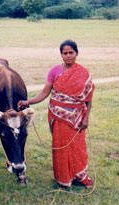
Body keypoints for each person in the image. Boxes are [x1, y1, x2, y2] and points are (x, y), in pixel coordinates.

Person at [18, 39, 95, 188]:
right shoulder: (54, 71)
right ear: (61, 55)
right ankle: (64, 178)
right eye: (64, 53)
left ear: (76, 53)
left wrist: (86, 118)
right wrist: (28, 102)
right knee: (61, 147)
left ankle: (80, 176)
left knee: (78, 147)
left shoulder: (83, 73)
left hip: (77, 118)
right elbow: (44, 93)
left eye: (71, 53)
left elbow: (88, 98)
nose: (68, 56)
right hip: (58, 117)